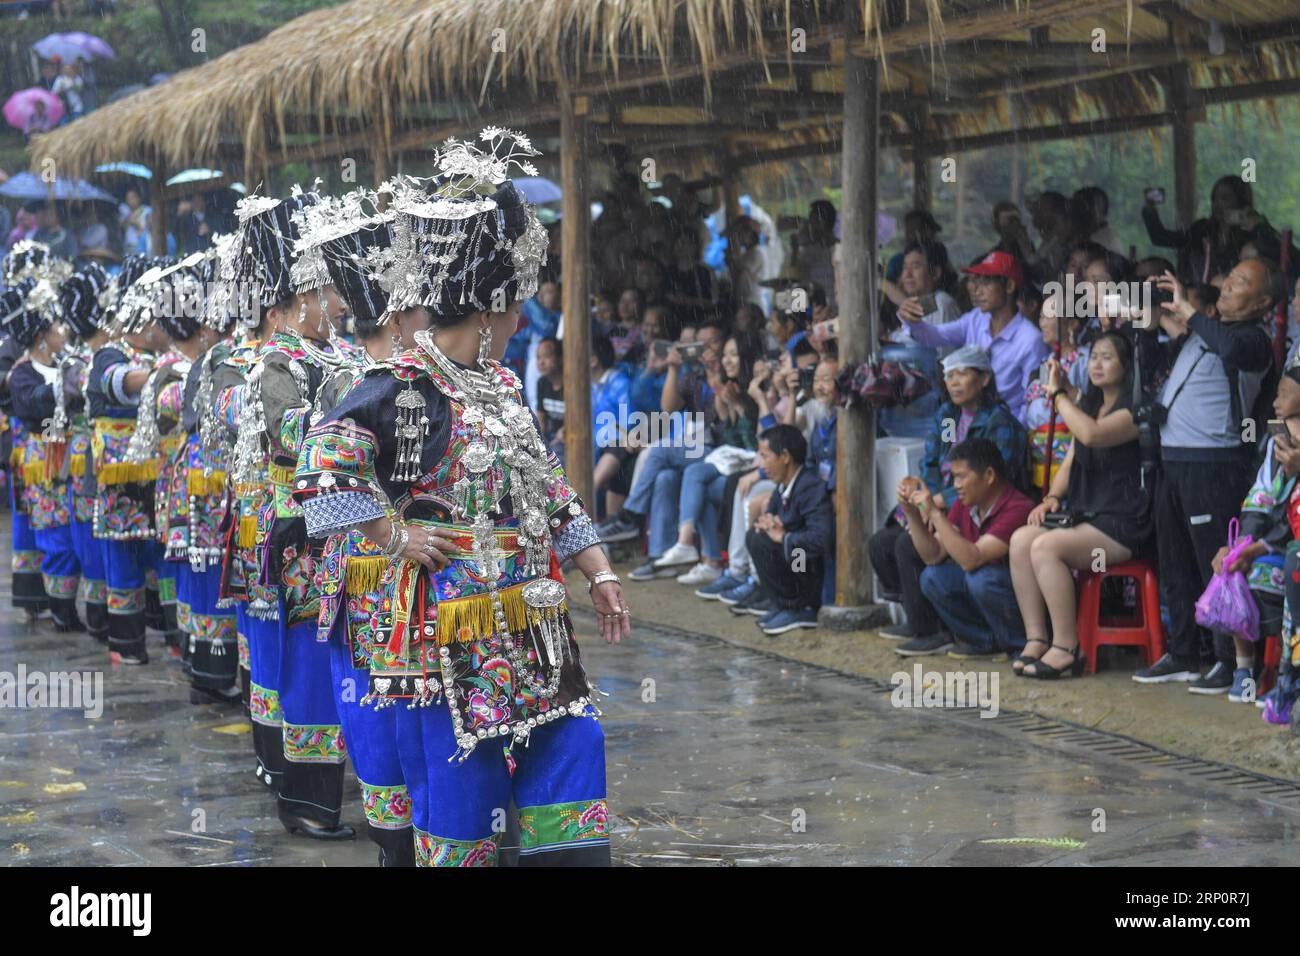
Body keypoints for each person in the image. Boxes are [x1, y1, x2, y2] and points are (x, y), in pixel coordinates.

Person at [295, 131, 625, 866]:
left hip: (536, 623)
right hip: (450, 629)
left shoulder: (502, 387)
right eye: (516, 311)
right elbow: (321, 472)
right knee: (461, 786)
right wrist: (395, 537)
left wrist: (598, 571)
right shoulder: (404, 386)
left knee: (573, 748)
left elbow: (551, 490)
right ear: (487, 312)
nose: (522, 324)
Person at [1135, 260, 1285, 691]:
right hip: (1173, 458)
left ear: (1262, 303)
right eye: (1230, 276)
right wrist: (1153, 316)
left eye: (1240, 283)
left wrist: (1190, 311)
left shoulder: (1254, 341)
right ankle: (1184, 652)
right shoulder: (1206, 331)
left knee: (1214, 563)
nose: (1228, 285)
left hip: (1213, 463)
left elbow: (1232, 351)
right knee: (1175, 561)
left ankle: (1228, 659)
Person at [1009, 331, 1154, 678]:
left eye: (1107, 357)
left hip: (1124, 524)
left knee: (1046, 547)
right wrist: (1052, 498)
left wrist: (1059, 396)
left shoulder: (1136, 410)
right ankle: (1036, 638)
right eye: (1093, 357)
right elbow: (1071, 461)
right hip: (1087, 517)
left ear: (1126, 366)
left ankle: (1067, 647)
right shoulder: (1088, 407)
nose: (1097, 364)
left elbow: (1091, 434)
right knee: (1020, 541)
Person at [869, 345, 1027, 651]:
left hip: (977, 511)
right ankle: (925, 619)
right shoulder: (949, 418)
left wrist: (938, 504)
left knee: (907, 547)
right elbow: (935, 463)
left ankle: (932, 630)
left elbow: (990, 480)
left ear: (983, 379)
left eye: (962, 374)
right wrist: (921, 501)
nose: (953, 382)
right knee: (882, 542)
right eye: (948, 375)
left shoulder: (999, 422)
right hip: (944, 504)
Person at [87, 254, 174, 663]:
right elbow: (116, 382)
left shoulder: (164, 355)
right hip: (120, 481)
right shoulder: (110, 353)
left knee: (162, 555)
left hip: (156, 477)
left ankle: (174, 635)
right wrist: (164, 375)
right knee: (123, 558)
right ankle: (125, 643)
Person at [893, 438, 1035, 659]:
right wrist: (911, 512)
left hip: (1020, 601)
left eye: (961, 476)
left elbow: (972, 559)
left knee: (980, 578)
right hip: (989, 594)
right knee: (932, 577)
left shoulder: (1017, 507)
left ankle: (1019, 645)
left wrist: (935, 514)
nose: (956, 485)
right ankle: (985, 643)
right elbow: (933, 555)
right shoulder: (966, 504)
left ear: (989, 476)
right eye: (954, 477)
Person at [1212, 362, 1300, 706]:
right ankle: (1244, 670)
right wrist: (1243, 544)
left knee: (1272, 571)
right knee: (1233, 569)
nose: (1276, 402)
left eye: (1284, 395)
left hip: (1288, 542)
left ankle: (1283, 674)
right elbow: (1261, 495)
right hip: (1270, 540)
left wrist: (1261, 547)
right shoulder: (1277, 438)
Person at [6, 279, 84, 631]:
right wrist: (64, 386)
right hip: (43, 462)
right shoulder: (21, 374)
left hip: (74, 460)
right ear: (41, 337)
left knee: (76, 535)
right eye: (56, 327)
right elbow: (35, 402)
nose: (63, 331)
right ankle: (61, 609)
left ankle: (68, 605)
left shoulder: (70, 362)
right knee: (56, 537)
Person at [654, 334, 759, 584]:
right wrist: (727, 407)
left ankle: (690, 544)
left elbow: (753, 443)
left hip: (751, 466)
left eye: (733, 355)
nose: (727, 360)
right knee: (692, 482)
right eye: (727, 355)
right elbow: (729, 437)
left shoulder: (753, 386)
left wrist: (738, 405)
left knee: (690, 472)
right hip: (729, 463)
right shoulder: (716, 384)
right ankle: (710, 560)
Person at [898, 250, 1047, 422]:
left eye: (985, 282)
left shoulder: (1031, 340)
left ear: (1009, 286)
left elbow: (1034, 399)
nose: (976, 290)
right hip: (969, 424)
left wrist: (1013, 436)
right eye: (975, 281)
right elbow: (934, 335)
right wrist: (910, 319)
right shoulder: (976, 319)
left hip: (1006, 430)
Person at [58, 261, 113, 644]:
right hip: (86, 457)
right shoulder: (77, 363)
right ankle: (99, 615)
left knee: (107, 532)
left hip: (107, 457)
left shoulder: (104, 356)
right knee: (92, 536)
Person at [744, 424, 833, 635]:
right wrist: (767, 524)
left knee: (775, 545)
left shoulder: (809, 486)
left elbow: (821, 538)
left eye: (766, 457)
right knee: (756, 537)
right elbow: (771, 518)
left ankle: (802, 606)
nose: (763, 465)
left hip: (806, 564)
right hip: (795, 556)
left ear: (785, 456)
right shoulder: (784, 486)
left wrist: (784, 535)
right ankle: (783, 604)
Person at [1143, 176, 1278, 284]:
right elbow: (1160, 238)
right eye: (1214, 199)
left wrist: (1257, 224)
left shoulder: (1254, 231)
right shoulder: (1202, 229)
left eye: (1225, 198)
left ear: (1241, 200)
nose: (1217, 204)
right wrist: (1149, 209)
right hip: (1198, 297)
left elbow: (1278, 253)